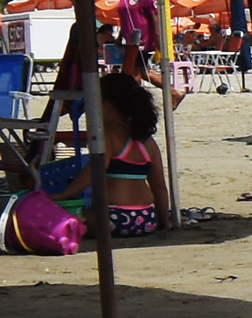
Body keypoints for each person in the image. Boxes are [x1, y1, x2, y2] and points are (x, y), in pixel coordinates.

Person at [26, 71, 175, 236]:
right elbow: (159, 188)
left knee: (60, 219)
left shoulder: (109, 134)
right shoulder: (148, 141)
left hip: (112, 217)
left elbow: (94, 170)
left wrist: (65, 194)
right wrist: (163, 221)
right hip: (146, 218)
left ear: (107, 107)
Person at [113, 0, 159, 77]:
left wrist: (158, 38)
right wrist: (120, 36)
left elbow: (155, 15)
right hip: (130, 41)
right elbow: (126, 16)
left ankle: (173, 92)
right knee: (138, 72)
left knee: (134, 73)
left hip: (143, 39)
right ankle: (173, 93)